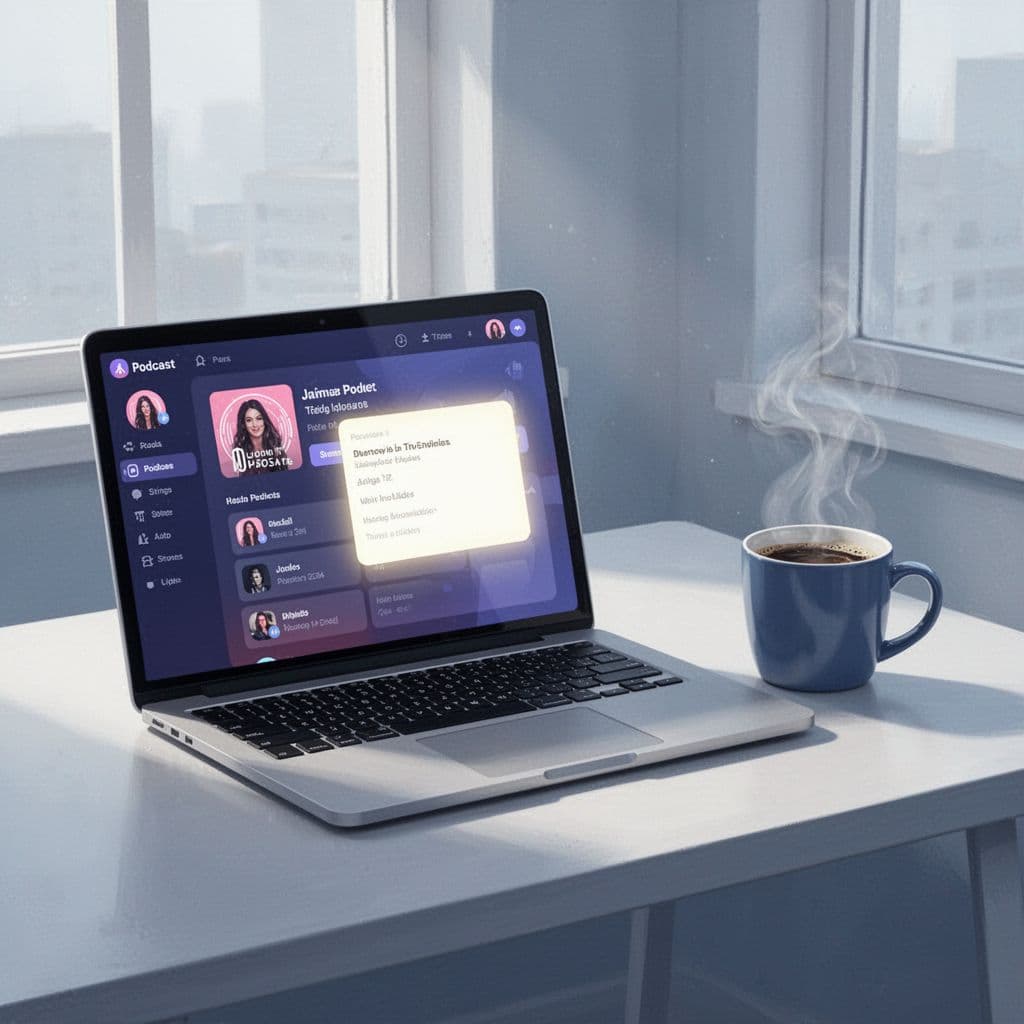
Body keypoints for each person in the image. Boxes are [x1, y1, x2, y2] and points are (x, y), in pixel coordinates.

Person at [231, 398, 288, 475]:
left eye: (259, 418)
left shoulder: (275, 447)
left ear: (264, 420)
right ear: (243, 424)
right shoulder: (240, 452)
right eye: (249, 420)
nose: (255, 424)